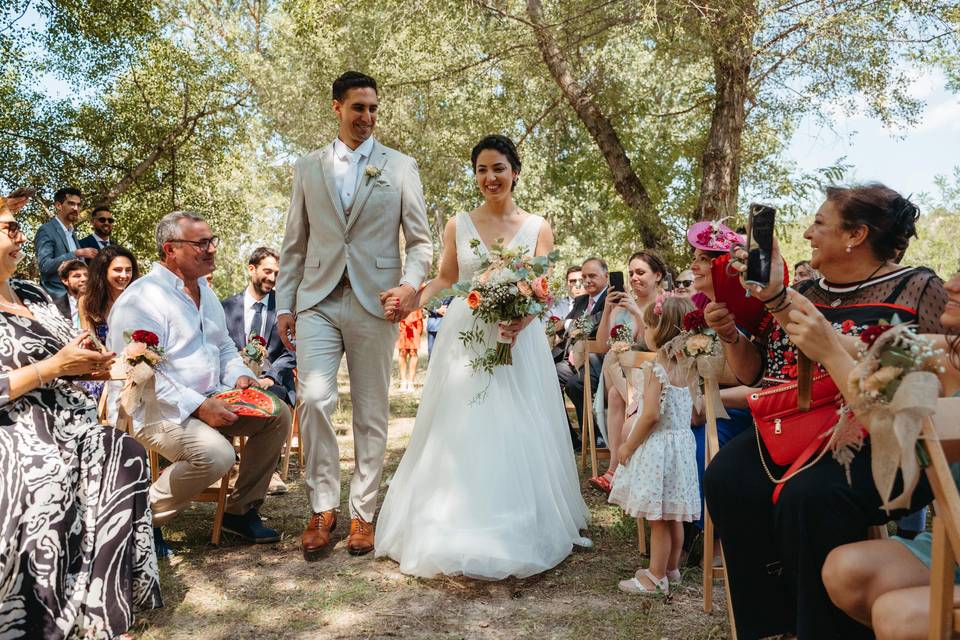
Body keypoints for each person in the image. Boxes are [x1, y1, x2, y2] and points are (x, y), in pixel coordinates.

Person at [703, 184, 947, 639]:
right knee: (726, 478)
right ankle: (771, 625)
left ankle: (822, 626)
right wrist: (732, 334)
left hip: (881, 440)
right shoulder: (801, 290)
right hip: (793, 427)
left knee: (808, 497)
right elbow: (757, 374)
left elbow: (936, 383)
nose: (808, 233)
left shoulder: (917, 286)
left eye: (820, 223)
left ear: (856, 234)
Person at [375, 134, 589, 579]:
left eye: (498, 168)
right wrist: (412, 298)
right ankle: (452, 519)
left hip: (518, 341)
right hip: (465, 337)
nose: (490, 178)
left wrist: (523, 321)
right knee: (462, 426)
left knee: (517, 424)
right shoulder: (458, 224)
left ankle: (517, 522)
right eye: (482, 170)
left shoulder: (538, 227)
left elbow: (542, 290)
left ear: (515, 171)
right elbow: (446, 279)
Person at [275, 71, 432, 558]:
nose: (367, 117)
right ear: (337, 108)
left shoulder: (400, 166)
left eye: (373, 109)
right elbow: (294, 245)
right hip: (317, 299)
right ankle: (323, 508)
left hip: (376, 302)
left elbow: (421, 242)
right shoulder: (308, 167)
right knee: (316, 400)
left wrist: (409, 286)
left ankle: (364, 513)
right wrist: (284, 302)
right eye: (358, 108)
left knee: (370, 411)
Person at [0, 198, 161, 637]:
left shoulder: (33, 294)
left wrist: (110, 362)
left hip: (74, 420)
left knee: (122, 452)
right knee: (49, 472)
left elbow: (74, 352)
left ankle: (102, 616)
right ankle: (44, 618)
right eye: (8, 228)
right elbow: (45, 368)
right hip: (17, 429)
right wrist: (53, 369)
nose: (18, 235)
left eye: (16, 228)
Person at [778, 274, 960, 639]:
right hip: (954, 548)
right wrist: (776, 297)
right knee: (844, 571)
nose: (952, 284)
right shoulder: (947, 351)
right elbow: (859, 348)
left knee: (895, 616)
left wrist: (828, 352)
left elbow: (893, 433)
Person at [108, 211, 292, 554]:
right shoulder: (142, 298)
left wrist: (240, 376)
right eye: (200, 243)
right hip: (154, 410)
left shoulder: (206, 293)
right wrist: (200, 406)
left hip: (210, 398)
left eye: (212, 241)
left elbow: (222, 347)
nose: (211, 249)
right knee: (217, 455)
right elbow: (141, 374)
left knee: (278, 415)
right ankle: (137, 520)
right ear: (170, 249)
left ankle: (240, 511)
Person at [610, 295, 700, 594]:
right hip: (682, 446)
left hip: (659, 446)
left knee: (658, 519)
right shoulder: (690, 365)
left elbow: (649, 415)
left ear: (660, 330)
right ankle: (672, 569)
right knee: (672, 513)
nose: (644, 332)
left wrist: (628, 446)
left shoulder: (657, 367)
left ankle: (655, 576)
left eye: (647, 325)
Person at [588, 250, 667, 493]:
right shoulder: (619, 306)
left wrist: (636, 311)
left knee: (615, 385)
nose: (634, 278)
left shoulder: (664, 305)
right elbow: (601, 346)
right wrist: (609, 312)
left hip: (653, 377)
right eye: (631, 273)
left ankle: (614, 471)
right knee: (613, 360)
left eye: (640, 272)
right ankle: (615, 470)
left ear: (658, 275)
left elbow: (656, 346)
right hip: (620, 376)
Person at [221, 247, 297, 406]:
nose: (272, 278)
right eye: (268, 271)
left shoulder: (285, 309)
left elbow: (293, 350)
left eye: (276, 273)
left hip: (273, 384)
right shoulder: (226, 308)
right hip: (233, 382)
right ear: (251, 269)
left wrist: (270, 378)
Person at [555, 257, 609, 448]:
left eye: (592, 276)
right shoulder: (581, 300)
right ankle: (570, 437)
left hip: (599, 360)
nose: (586, 281)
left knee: (575, 384)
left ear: (606, 275)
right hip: (573, 360)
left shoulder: (613, 296)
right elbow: (562, 328)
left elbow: (597, 323)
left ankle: (595, 435)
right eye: (584, 276)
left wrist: (569, 324)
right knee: (549, 377)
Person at [35, 187, 98, 297]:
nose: (76, 208)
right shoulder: (46, 230)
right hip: (57, 297)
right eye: (71, 204)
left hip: (78, 296)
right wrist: (77, 253)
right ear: (58, 205)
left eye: (78, 205)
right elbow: (45, 266)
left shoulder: (72, 233)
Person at [52, 258, 88, 328]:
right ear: (65, 280)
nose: (84, 279)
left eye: (86, 275)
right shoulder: (55, 307)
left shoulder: (101, 301)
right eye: (77, 276)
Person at [396, 304, 424, 392]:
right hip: (401, 317)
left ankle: (411, 382)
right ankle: (403, 381)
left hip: (415, 319)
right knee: (402, 351)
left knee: (413, 351)